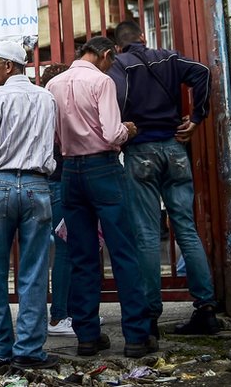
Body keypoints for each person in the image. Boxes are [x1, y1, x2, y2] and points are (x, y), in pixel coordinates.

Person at [47, 37, 156, 358]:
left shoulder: (53, 83)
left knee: (82, 256)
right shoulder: (101, 81)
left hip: (70, 172)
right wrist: (128, 130)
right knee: (123, 251)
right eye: (111, 61)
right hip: (103, 169)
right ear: (106, 55)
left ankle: (87, 336)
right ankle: (136, 336)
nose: (111, 66)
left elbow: (54, 136)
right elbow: (111, 133)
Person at [109, 20, 218, 337]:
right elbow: (202, 72)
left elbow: (114, 100)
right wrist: (196, 117)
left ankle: (149, 317)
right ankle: (206, 310)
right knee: (185, 227)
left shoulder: (119, 64)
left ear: (118, 46)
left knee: (145, 233)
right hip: (175, 148)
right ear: (142, 37)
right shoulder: (168, 57)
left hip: (141, 151)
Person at [0, 41, 58, 369]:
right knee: (34, 272)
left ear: (9, 66)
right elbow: (54, 141)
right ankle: (30, 350)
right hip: (37, 185)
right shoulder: (46, 96)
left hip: (0, 185)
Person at [39, 63, 76, 337]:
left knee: (43, 252)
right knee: (65, 248)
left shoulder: (39, 107)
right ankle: (59, 316)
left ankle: (60, 314)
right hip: (59, 182)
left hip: (43, 184)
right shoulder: (54, 108)